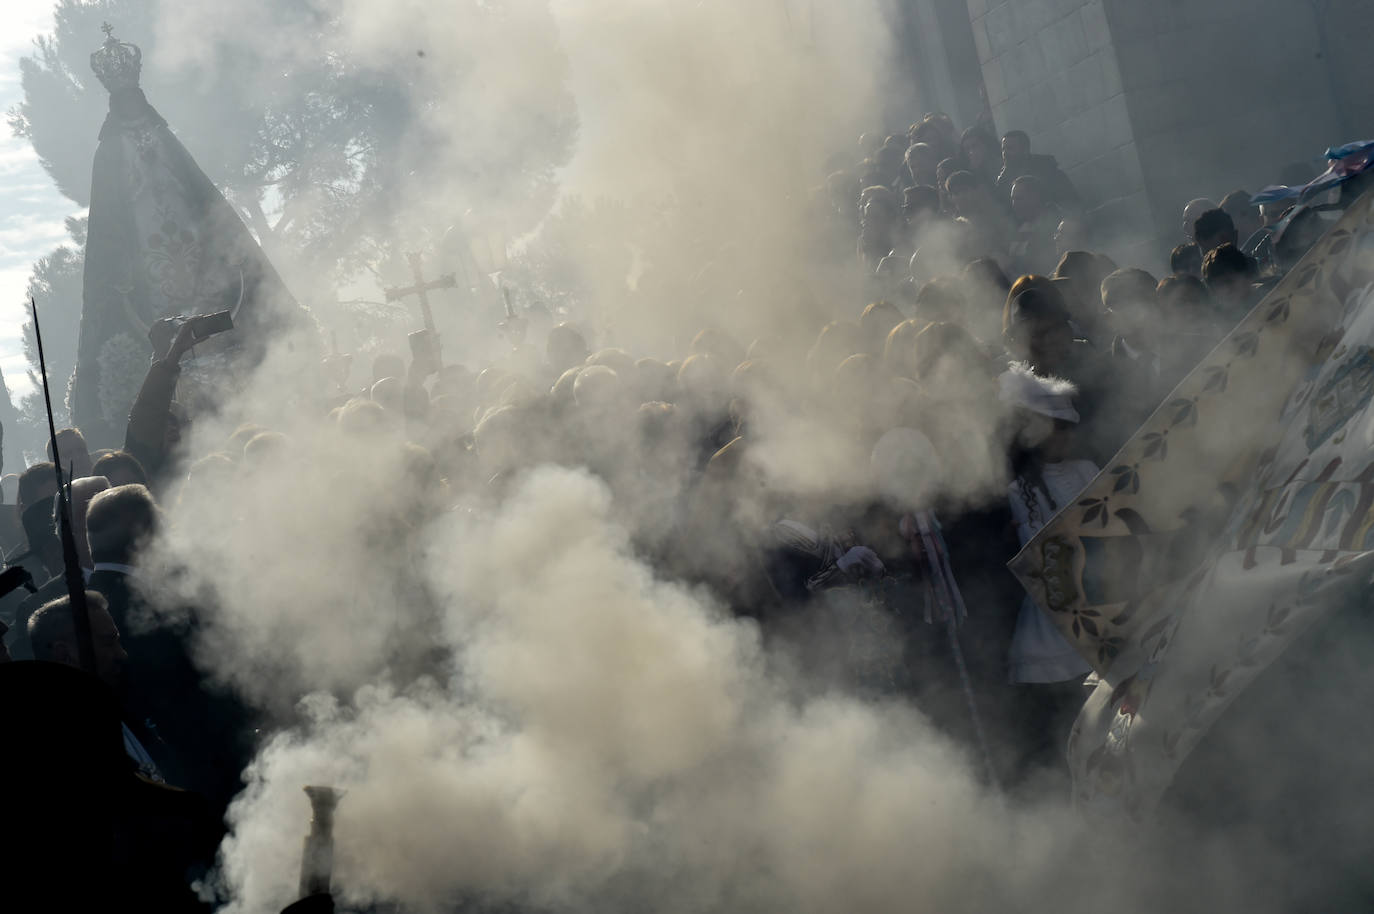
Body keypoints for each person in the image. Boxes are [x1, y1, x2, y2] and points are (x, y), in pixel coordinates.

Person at [998, 363, 1095, 783]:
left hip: (1091, 616)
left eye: (1070, 428)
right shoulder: (1015, 492)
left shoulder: (1087, 473)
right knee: (1052, 743)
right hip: (1043, 626)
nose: (1068, 437)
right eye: (1058, 428)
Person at [996, 130, 1080, 210]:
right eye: (1003, 149)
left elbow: (1071, 203)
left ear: (1025, 150)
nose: (1005, 153)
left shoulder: (1048, 172)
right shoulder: (1003, 181)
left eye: (1010, 148)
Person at [1202, 242, 1260, 320]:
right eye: (1218, 286)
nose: (1225, 289)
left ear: (1246, 275)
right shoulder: (1217, 322)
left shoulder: (1270, 294)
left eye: (1229, 281)